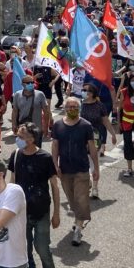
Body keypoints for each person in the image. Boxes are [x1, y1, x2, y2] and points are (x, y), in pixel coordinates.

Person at [7, 124, 60, 268]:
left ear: (31, 138)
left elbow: (54, 185)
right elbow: (12, 184)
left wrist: (57, 213)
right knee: (25, 252)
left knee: (43, 249)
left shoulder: (44, 157)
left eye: (22, 136)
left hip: (41, 212)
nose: (18, 139)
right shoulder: (15, 156)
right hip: (21, 214)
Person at [51, 97, 99, 247]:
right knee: (72, 199)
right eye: (69, 107)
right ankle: (79, 217)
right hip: (65, 169)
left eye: (75, 107)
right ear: (65, 108)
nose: (72, 109)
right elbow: (54, 147)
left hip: (82, 169)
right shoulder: (58, 125)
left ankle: (78, 228)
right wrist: (55, 165)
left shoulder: (86, 126)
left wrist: (96, 168)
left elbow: (92, 148)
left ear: (79, 108)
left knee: (81, 198)